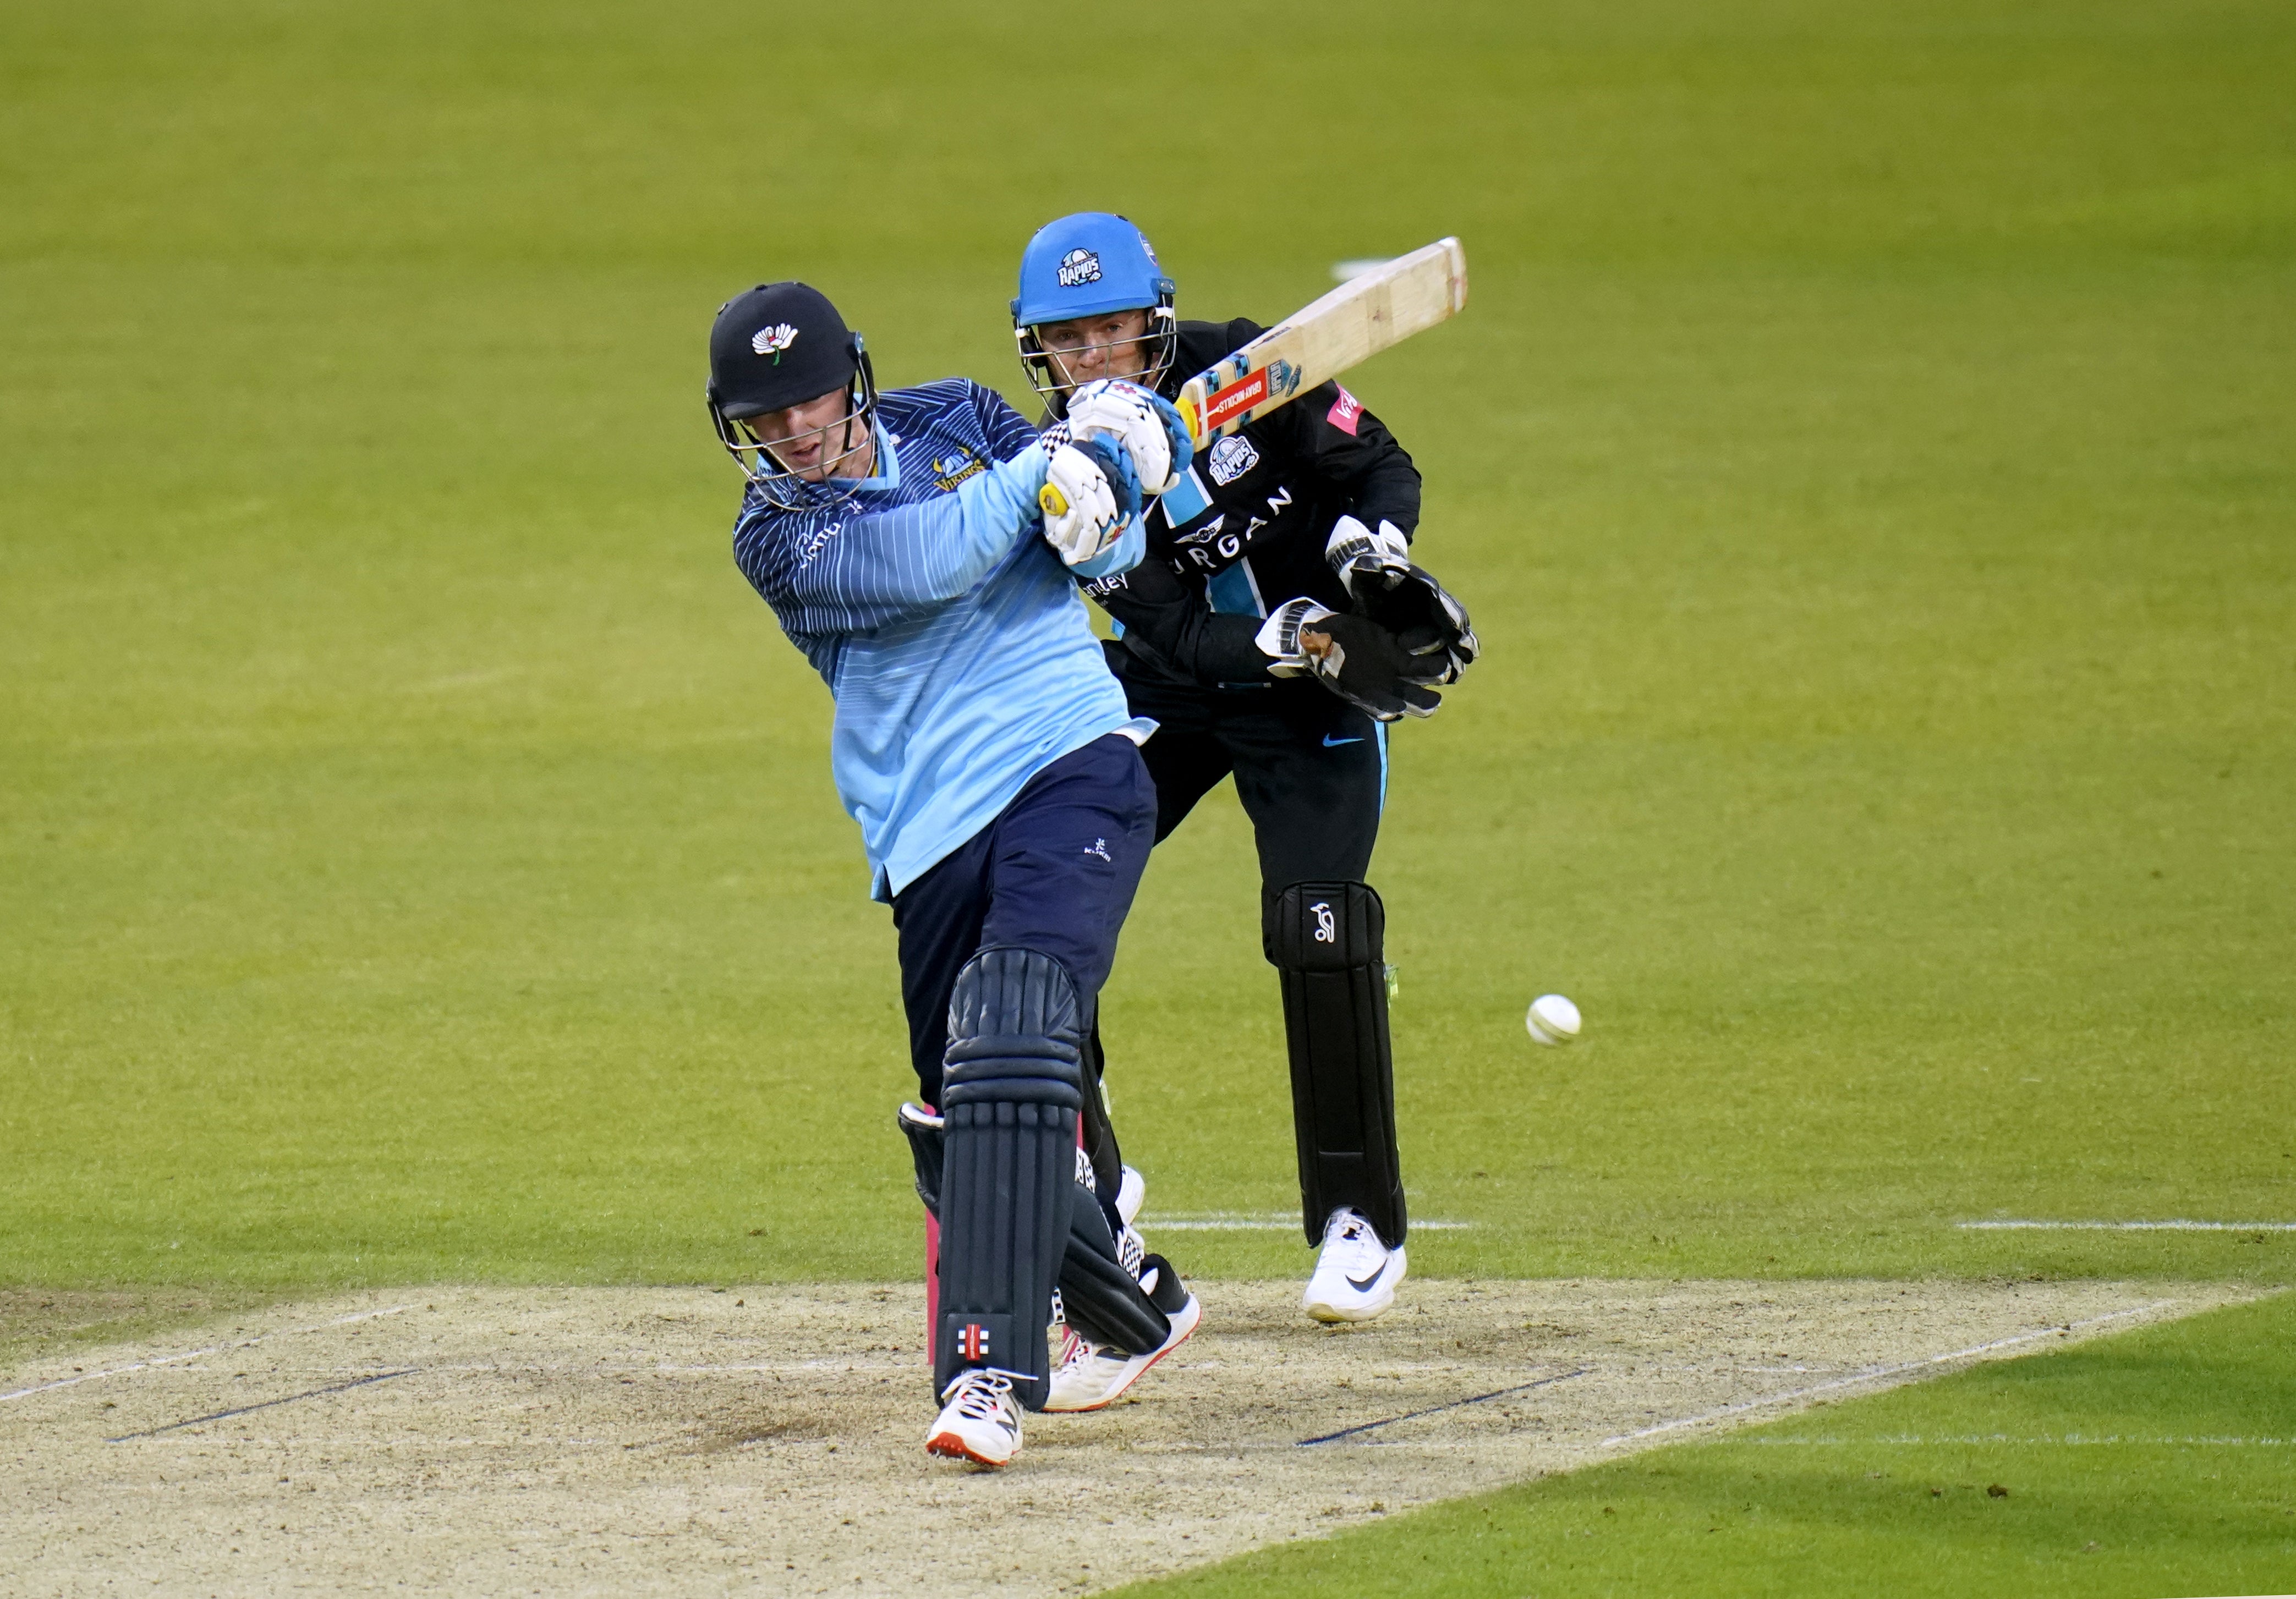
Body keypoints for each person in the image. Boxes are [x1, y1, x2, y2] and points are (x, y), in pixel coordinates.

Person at [708, 279, 1202, 1468]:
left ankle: (985, 1373)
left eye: (810, 402)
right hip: (926, 829)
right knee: (959, 1114)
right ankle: (1134, 1302)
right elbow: (925, 559)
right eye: (764, 419)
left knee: (1012, 1023)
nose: (793, 433)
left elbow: (1098, 550)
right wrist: (1061, 464)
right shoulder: (777, 535)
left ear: (854, 377)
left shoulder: (966, 419)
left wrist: (1119, 487)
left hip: (1069, 759)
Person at [1008, 213, 1478, 1331]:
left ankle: (1359, 1222)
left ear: (1155, 320)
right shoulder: (1064, 472)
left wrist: (1371, 554)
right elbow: (1167, 630)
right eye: (1067, 341)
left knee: (1318, 927)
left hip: (1315, 699)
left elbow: (1379, 462)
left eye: (1112, 330)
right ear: (1038, 350)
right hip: (1172, 688)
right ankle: (1096, 1183)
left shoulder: (1251, 367)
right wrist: (1276, 635)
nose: (1094, 360)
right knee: (1029, 898)